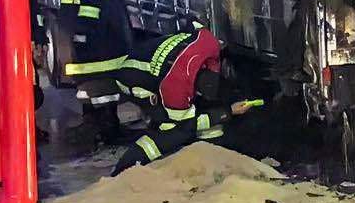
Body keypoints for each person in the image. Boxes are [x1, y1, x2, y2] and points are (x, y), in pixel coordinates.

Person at [108, 25, 262, 173]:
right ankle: (125, 167)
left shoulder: (209, 44)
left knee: (201, 111)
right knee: (174, 131)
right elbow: (188, 124)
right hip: (131, 79)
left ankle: (207, 154)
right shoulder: (175, 89)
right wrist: (228, 112)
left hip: (148, 59)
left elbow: (192, 23)